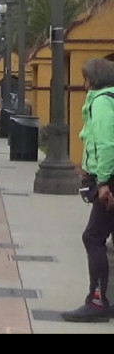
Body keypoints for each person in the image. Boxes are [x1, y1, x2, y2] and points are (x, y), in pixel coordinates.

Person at [62, 58, 114, 322]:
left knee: (92, 238)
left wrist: (103, 181)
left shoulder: (102, 102)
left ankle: (97, 301)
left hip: (110, 180)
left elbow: (106, 144)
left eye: (85, 78)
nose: (83, 83)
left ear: (93, 79)